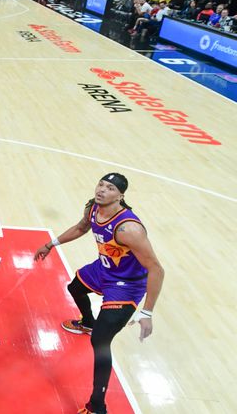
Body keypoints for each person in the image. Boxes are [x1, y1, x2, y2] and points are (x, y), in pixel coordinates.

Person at [33, 174, 164, 414]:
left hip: (126, 286)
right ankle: (88, 322)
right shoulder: (93, 207)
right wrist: (51, 244)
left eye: (110, 188)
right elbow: (82, 227)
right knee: (75, 287)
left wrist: (147, 311)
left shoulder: (129, 228)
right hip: (104, 269)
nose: (102, 190)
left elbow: (156, 268)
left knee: (101, 342)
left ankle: (97, 407)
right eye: (101, 184)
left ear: (121, 196)